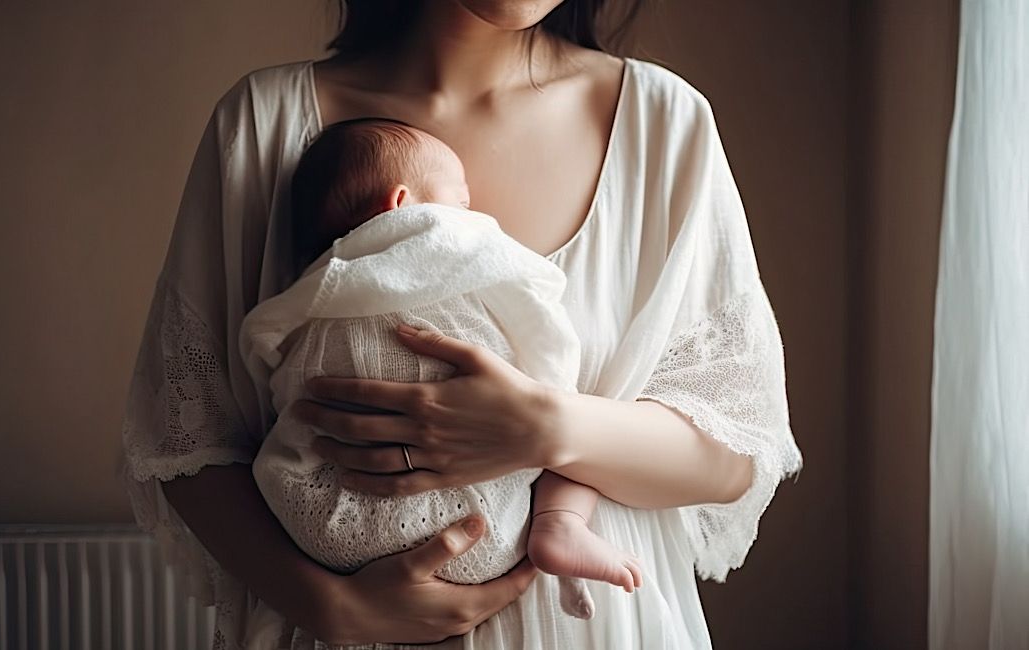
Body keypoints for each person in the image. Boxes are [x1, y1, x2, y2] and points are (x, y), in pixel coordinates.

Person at [120, 1, 803, 648]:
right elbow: (186, 437)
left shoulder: (663, 124)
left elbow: (736, 451)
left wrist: (544, 428)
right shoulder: (265, 122)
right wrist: (330, 605)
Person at [241, 117, 642, 638]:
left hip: (327, 534)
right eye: (461, 202)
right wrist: (550, 389)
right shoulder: (451, 240)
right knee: (571, 427)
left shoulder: (313, 292)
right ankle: (558, 524)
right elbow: (540, 326)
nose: (469, 214)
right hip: (487, 532)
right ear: (403, 205)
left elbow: (278, 381)